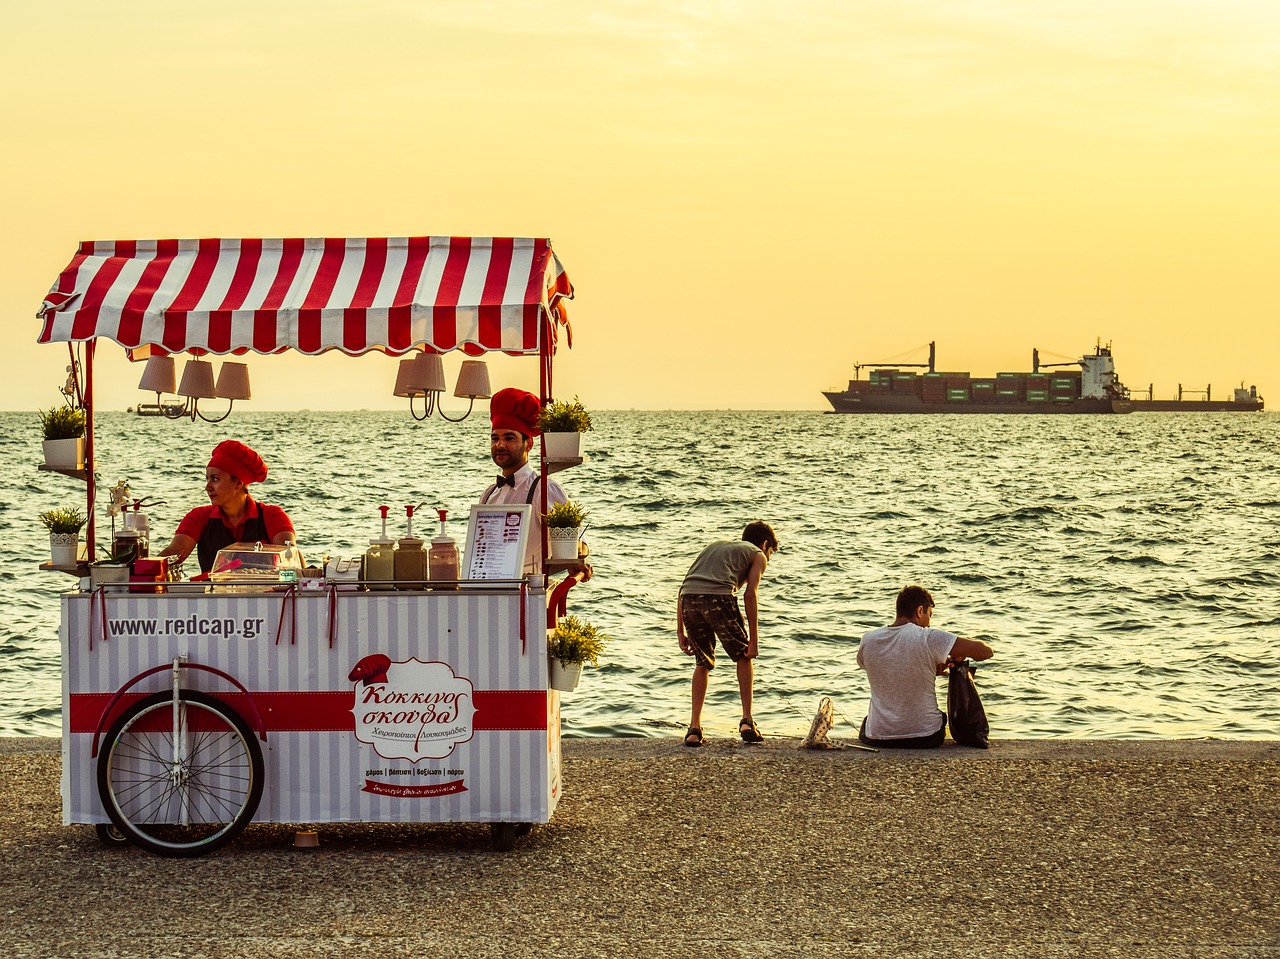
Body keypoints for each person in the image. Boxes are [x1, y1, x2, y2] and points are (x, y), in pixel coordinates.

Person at [676, 521, 778, 747]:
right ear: (764, 544)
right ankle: (747, 721)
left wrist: (680, 630)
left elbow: (684, 587)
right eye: (771, 553)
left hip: (689, 601)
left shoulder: (716, 546)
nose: (768, 559)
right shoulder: (757, 554)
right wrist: (754, 640)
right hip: (719, 598)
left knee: (702, 662)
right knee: (744, 656)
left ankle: (694, 729)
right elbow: (750, 595)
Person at [857, 584, 994, 748]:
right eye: (930, 615)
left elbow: (889, 669)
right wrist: (960, 654)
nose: (929, 623)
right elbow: (985, 652)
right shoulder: (928, 637)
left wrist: (927, 667)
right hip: (926, 737)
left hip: (878, 737)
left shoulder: (868, 639)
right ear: (920, 611)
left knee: (868, 721)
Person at [478, 388, 590, 579]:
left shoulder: (543, 489)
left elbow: (576, 539)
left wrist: (577, 559)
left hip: (528, 595)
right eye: (495, 438)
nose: (500, 445)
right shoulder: (489, 494)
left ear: (528, 444)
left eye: (509, 438)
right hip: (489, 593)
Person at [158, 440, 296, 574]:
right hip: (212, 596)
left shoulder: (273, 516)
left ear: (238, 483)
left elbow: (291, 560)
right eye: (207, 479)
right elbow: (173, 555)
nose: (208, 487)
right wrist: (143, 568)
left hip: (265, 595)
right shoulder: (199, 517)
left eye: (215, 479)